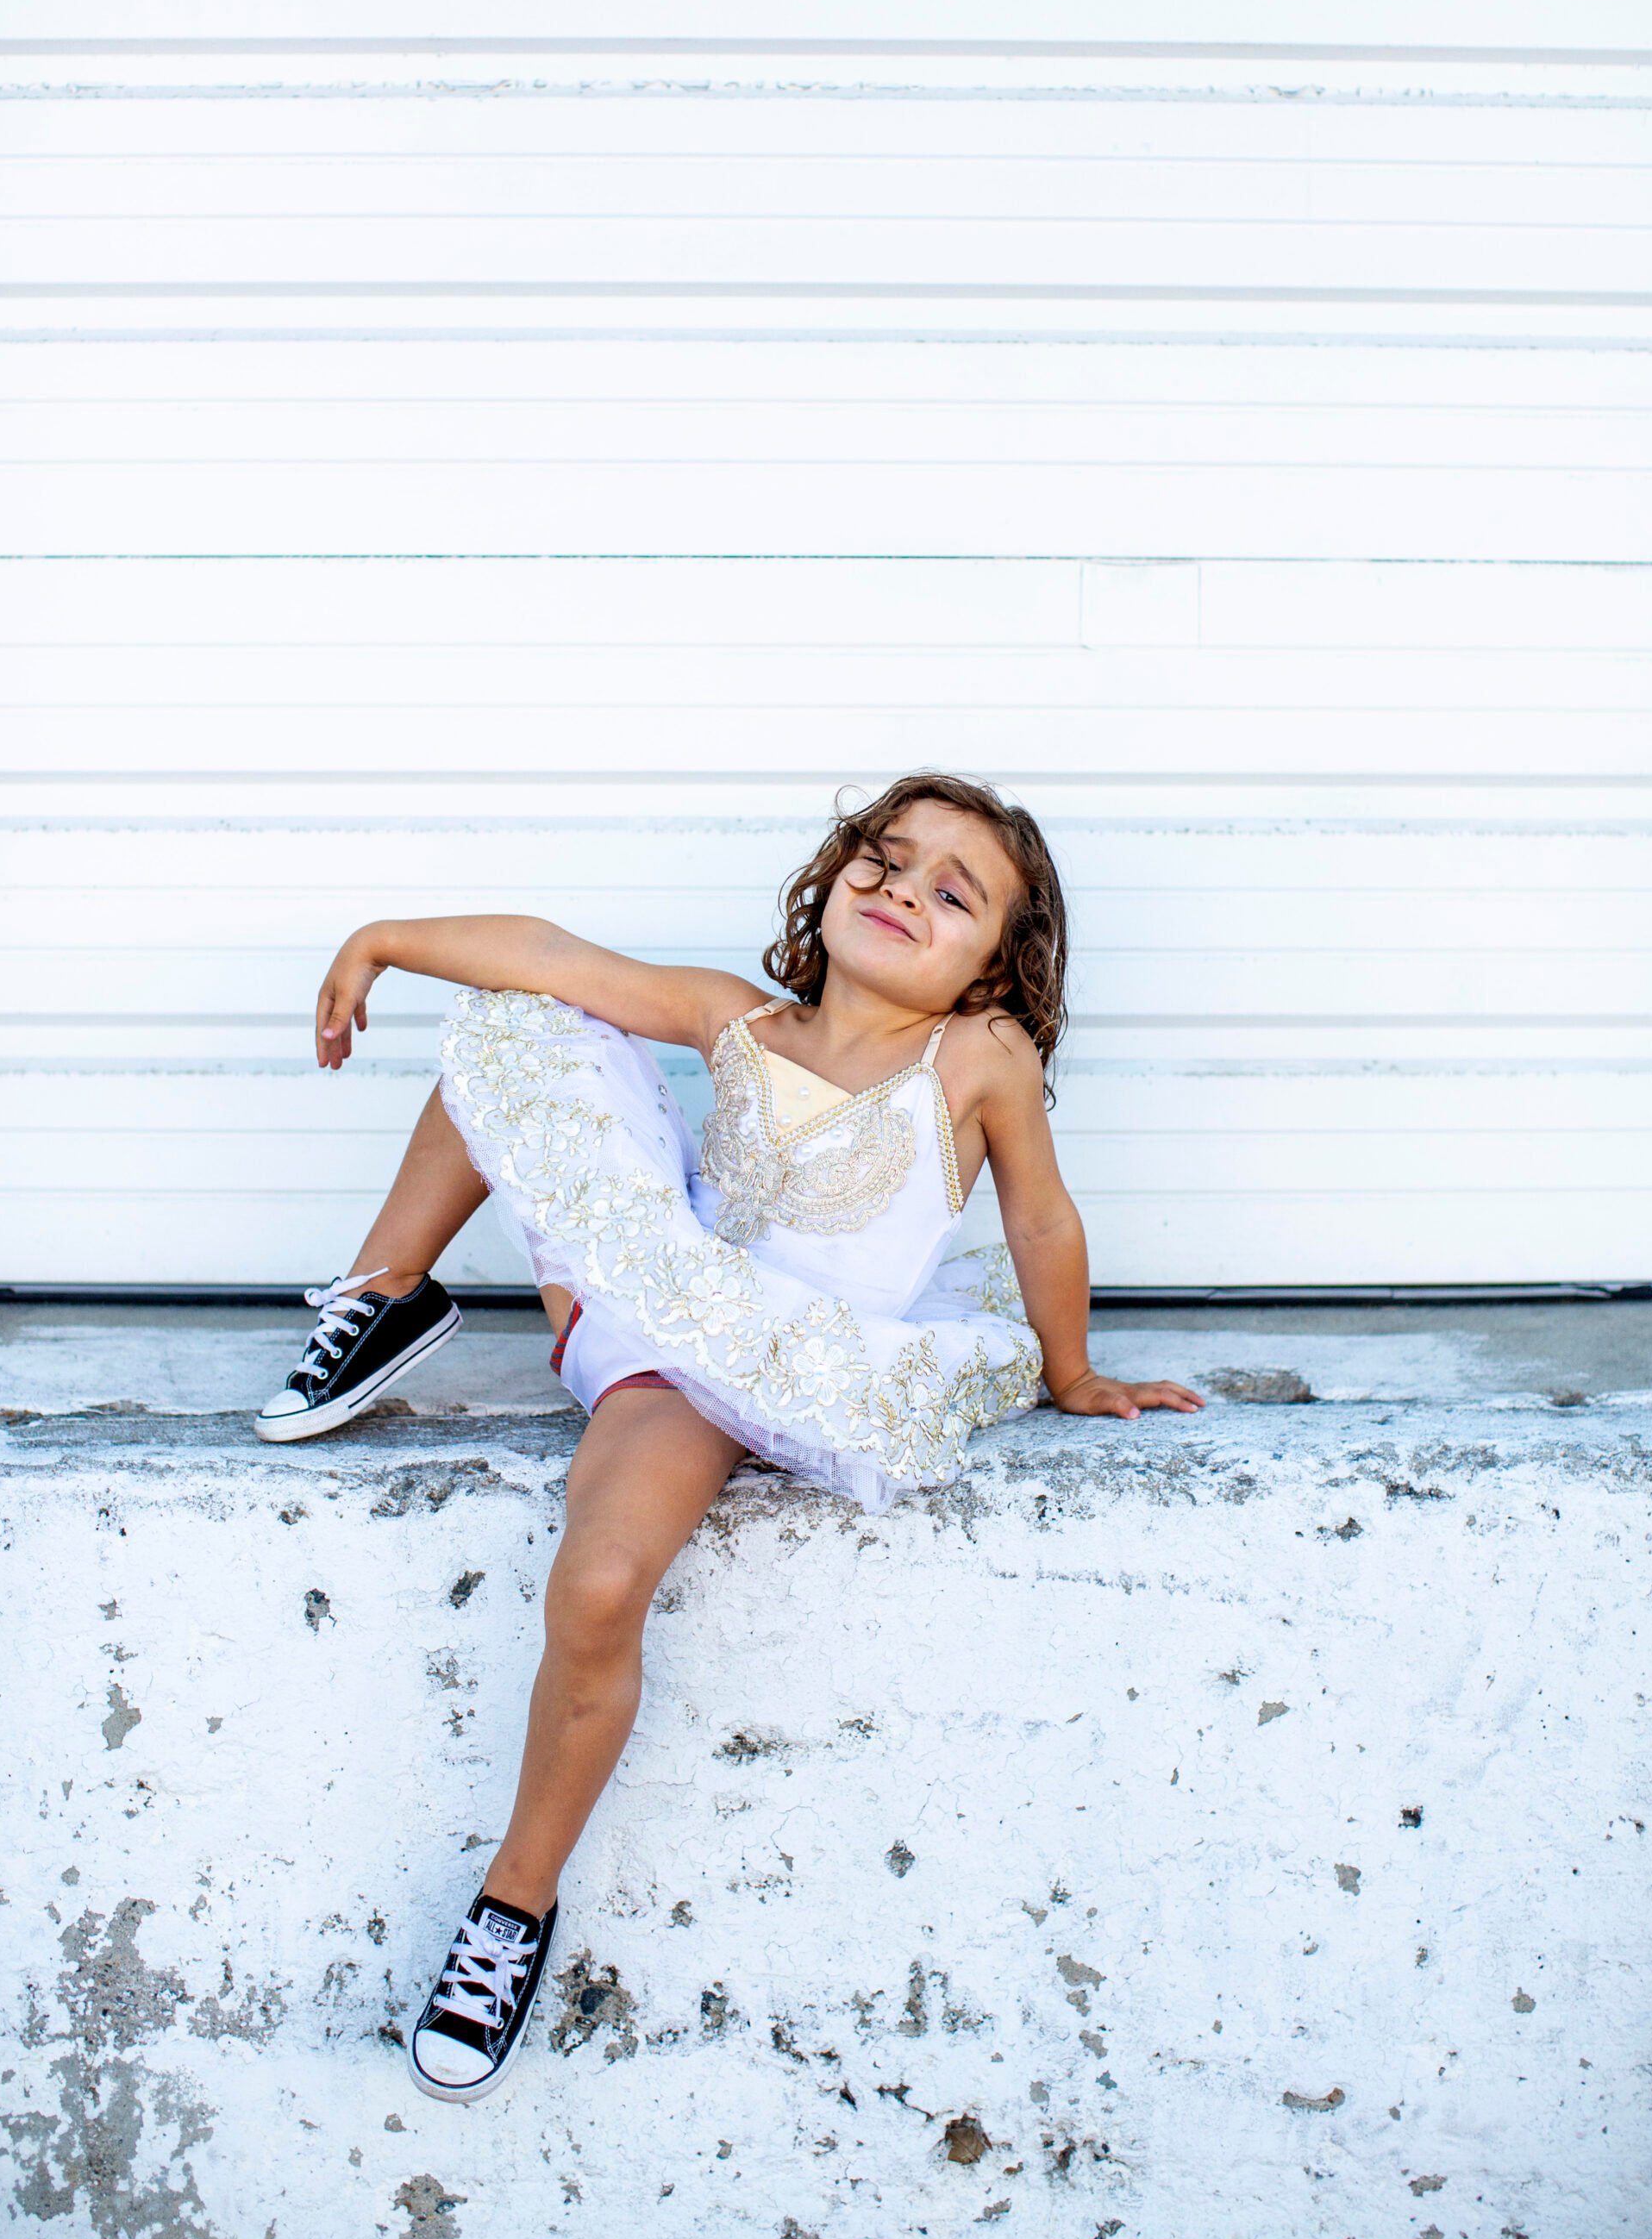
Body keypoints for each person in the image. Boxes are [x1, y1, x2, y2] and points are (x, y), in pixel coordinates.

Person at [256, 773, 1202, 2105]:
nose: (903, 890)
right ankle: (387, 1291)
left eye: (954, 891)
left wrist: (1075, 1370)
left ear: (1000, 963)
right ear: (830, 883)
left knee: (594, 1584)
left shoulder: (978, 1060)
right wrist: (381, 939)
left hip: (791, 1367)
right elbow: (552, 956)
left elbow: (1040, 1221)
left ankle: (512, 1905)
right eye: (883, 860)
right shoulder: (739, 1019)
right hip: (665, 1324)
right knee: (524, 1024)